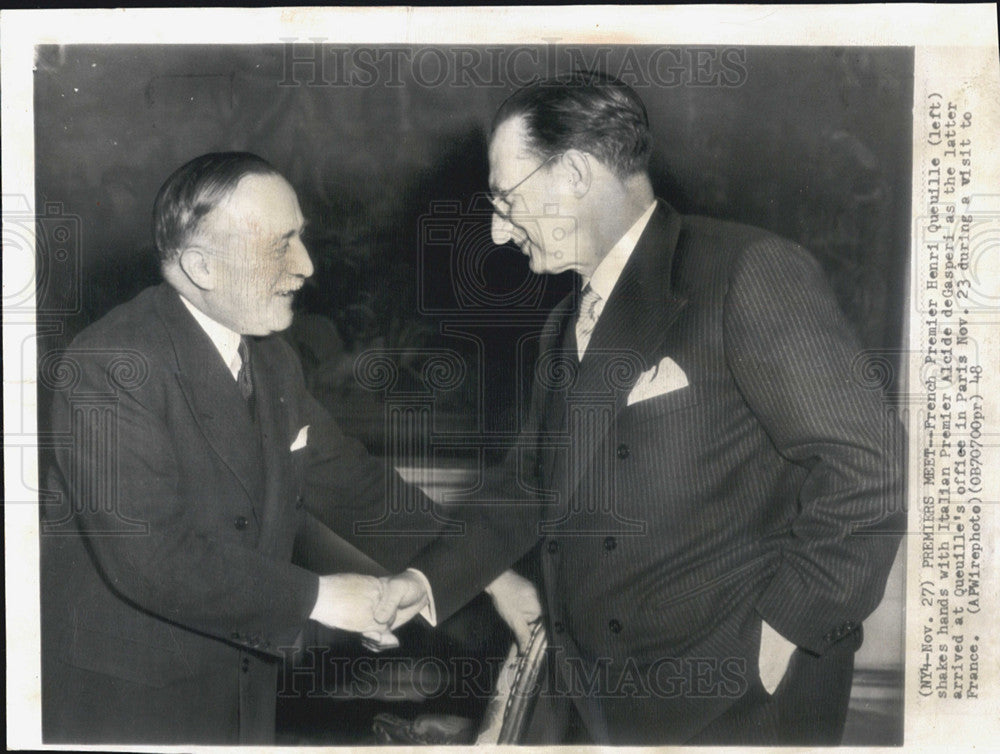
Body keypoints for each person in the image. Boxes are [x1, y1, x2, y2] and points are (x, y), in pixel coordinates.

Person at [376, 72, 904, 745]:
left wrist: (784, 633)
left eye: (506, 200)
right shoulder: (565, 319)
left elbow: (870, 467)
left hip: (737, 704)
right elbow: (529, 486)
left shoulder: (746, 271)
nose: (497, 232)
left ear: (572, 173)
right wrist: (424, 582)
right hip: (606, 704)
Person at [39, 152, 431, 744]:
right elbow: (153, 558)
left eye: (300, 236)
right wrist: (323, 597)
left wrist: (473, 572)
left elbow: (353, 483)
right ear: (202, 266)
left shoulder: (272, 358)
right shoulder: (111, 363)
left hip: (242, 695)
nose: (306, 265)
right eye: (281, 244)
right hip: (132, 707)